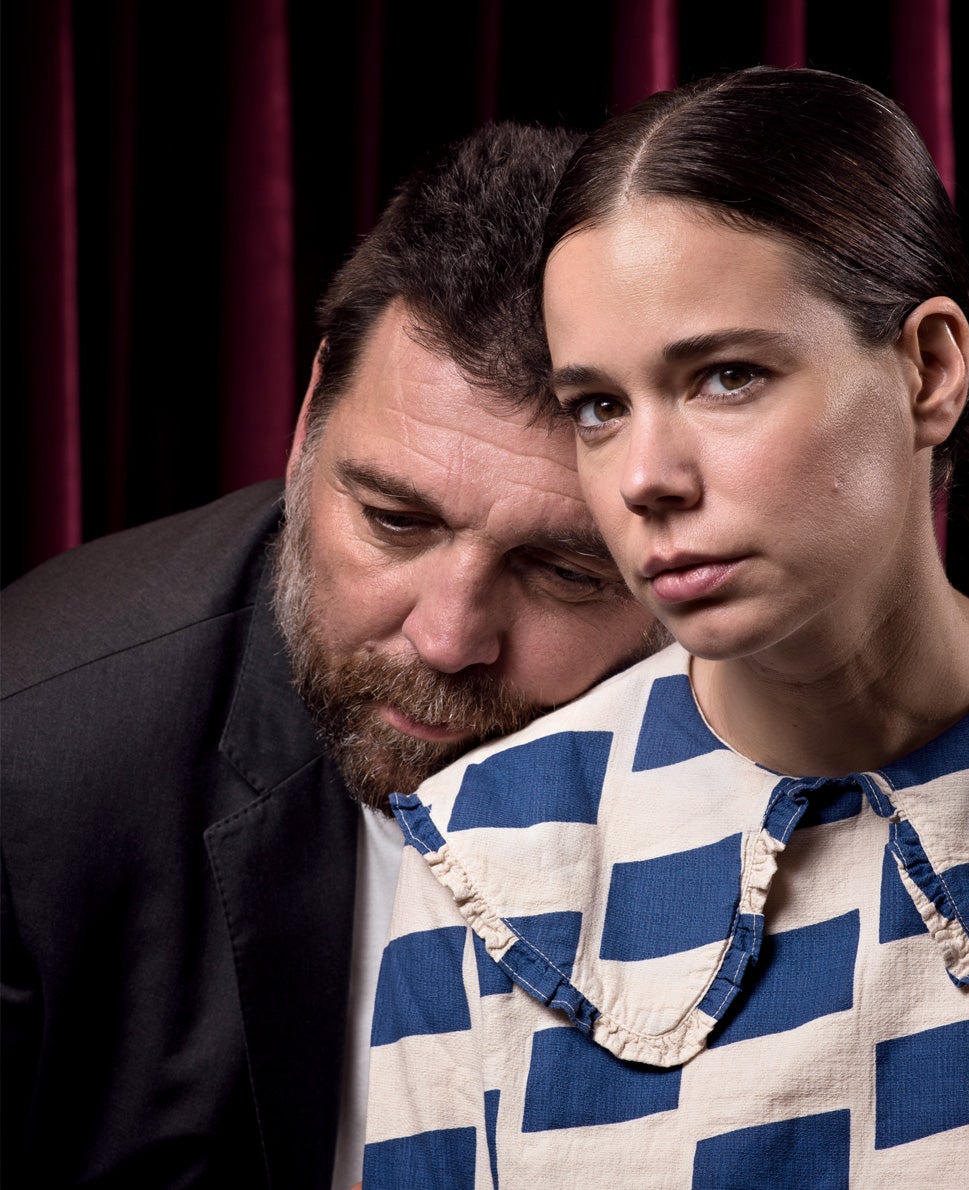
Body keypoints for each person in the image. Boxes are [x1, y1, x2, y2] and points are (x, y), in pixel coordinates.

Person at [364, 69, 969, 1187]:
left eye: (727, 377)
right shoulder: (484, 858)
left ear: (930, 370)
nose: (645, 477)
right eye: (599, 406)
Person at [0, 123, 661, 1189]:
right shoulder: (31, 757)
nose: (448, 638)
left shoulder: (802, 751)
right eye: (396, 521)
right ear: (310, 417)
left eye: (564, 573)